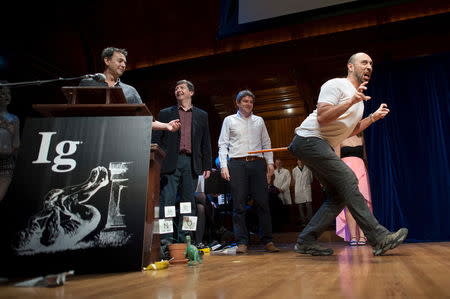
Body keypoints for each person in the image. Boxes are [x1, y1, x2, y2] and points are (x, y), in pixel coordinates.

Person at [288, 52, 408, 256]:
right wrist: (351, 101)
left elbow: (347, 130)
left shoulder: (359, 101)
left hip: (319, 144)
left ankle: (306, 240)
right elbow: (323, 118)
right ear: (350, 67)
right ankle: (378, 237)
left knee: (338, 196)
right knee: (348, 179)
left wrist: (372, 118)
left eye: (371, 63)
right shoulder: (335, 85)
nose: (369, 66)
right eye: (364, 62)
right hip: (308, 140)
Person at [218, 89, 279, 254]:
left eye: (251, 101)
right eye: (245, 101)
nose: (248, 104)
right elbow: (223, 144)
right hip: (237, 164)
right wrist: (224, 165)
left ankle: (268, 240)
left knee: (262, 203)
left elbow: (266, 143)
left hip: (257, 164)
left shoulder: (259, 121)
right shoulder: (229, 120)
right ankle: (242, 242)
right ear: (238, 103)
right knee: (238, 205)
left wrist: (270, 162)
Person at [152, 80, 212, 242]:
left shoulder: (201, 115)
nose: (178, 90)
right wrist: (156, 163)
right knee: (167, 203)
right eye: (176, 88)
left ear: (191, 92)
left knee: (189, 204)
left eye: (182, 88)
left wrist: (207, 164)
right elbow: (156, 139)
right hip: (170, 163)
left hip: (191, 163)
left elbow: (205, 141)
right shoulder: (165, 113)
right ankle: (165, 242)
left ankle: (186, 239)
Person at [80, 47, 180, 131]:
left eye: (125, 62)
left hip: (118, 140)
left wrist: (167, 126)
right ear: (107, 61)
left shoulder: (130, 91)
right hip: (89, 135)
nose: (123, 65)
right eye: (120, 61)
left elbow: (144, 120)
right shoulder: (88, 83)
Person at [335, 134, 372, 246]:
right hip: (345, 171)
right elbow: (336, 160)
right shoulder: (339, 137)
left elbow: (365, 158)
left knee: (363, 203)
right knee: (349, 204)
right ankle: (353, 236)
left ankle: (362, 235)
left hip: (361, 170)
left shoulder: (362, 138)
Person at [0, 83, 20, 202]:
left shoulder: (13, 119)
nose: (6, 96)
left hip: (6, 164)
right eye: (2, 93)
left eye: (8, 93)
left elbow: (16, 144)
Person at [292, 159, 313, 225]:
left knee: (308, 205)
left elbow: (311, 179)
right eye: (299, 160)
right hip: (298, 189)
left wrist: (306, 184)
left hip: (306, 189)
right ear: (297, 161)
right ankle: (303, 221)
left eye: (301, 160)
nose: (300, 162)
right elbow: (294, 179)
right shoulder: (294, 170)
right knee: (300, 206)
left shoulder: (308, 169)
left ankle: (310, 220)